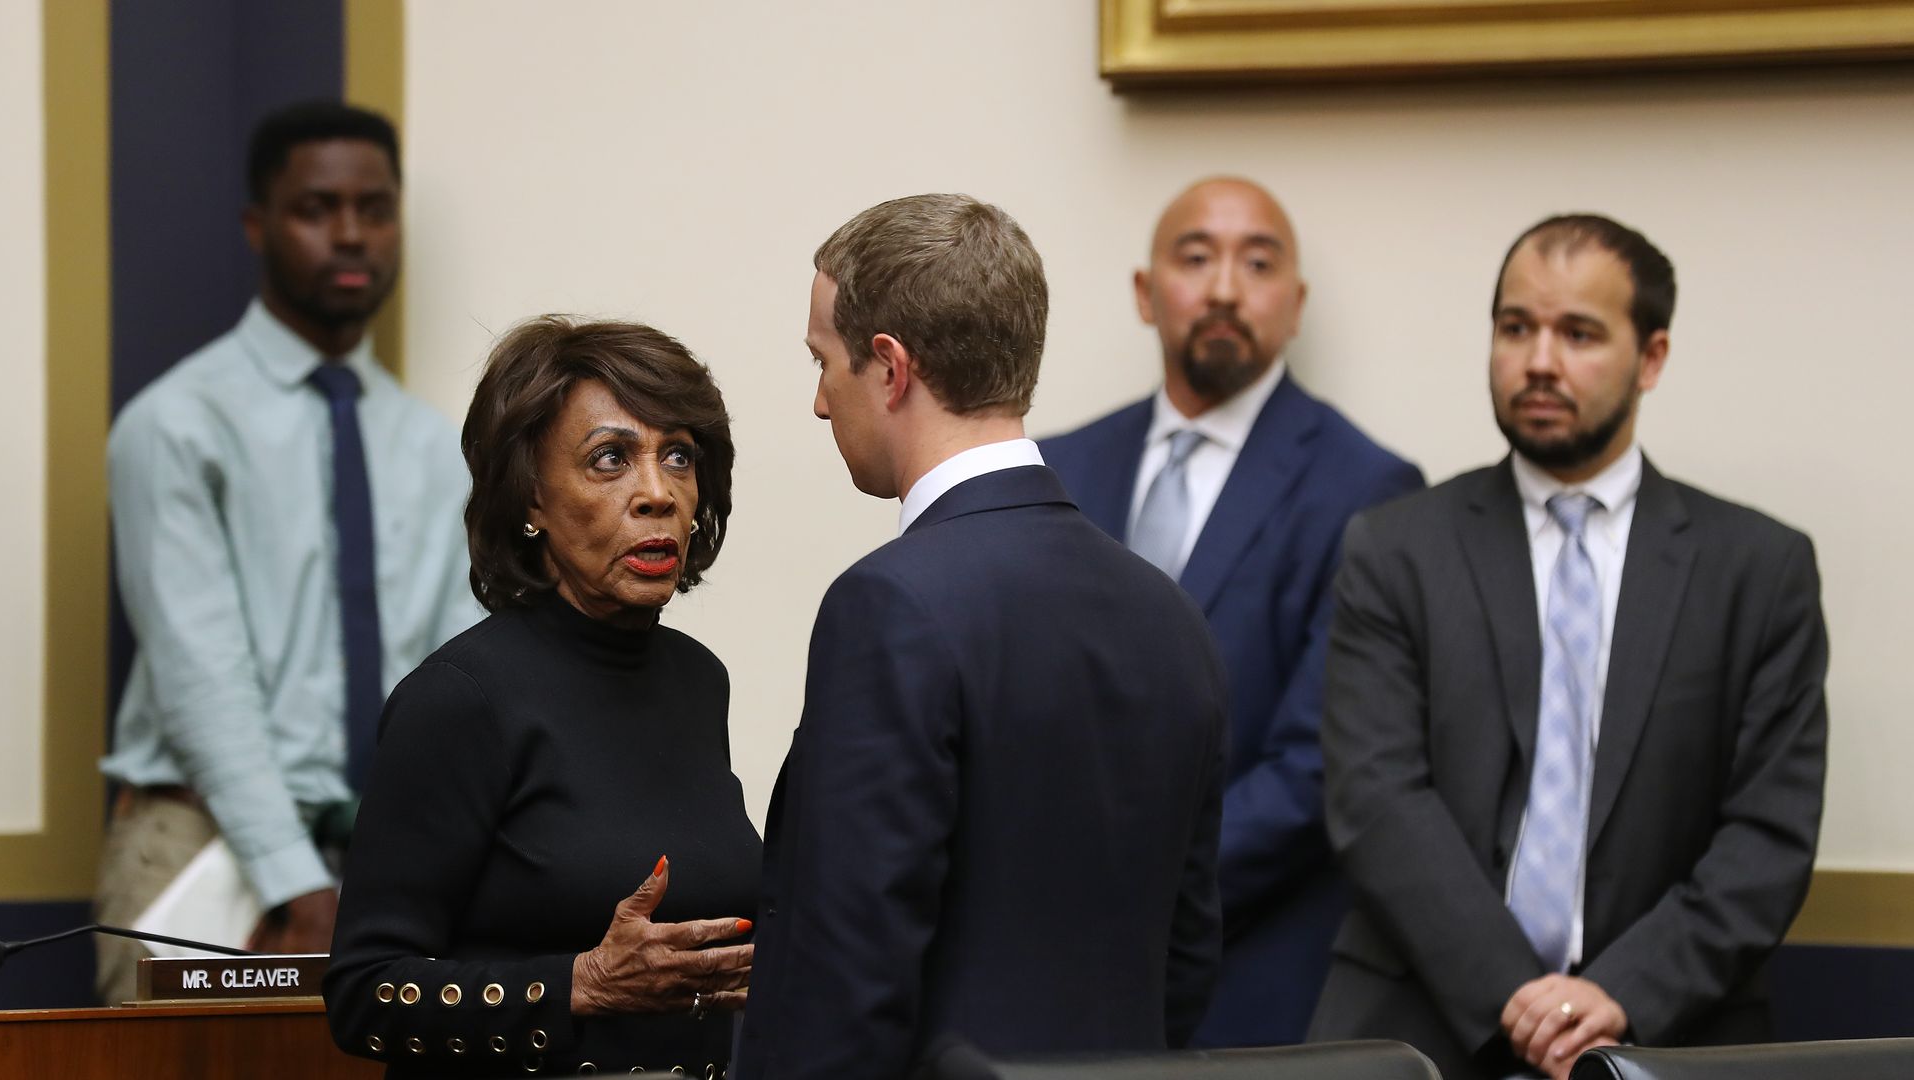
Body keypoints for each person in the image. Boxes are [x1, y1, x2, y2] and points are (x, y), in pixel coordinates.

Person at [1307, 214, 1827, 1080]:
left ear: (1651, 357)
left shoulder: (1758, 570)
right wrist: (1523, 998)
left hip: (1670, 1028)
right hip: (1422, 1027)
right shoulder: (1396, 548)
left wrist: (1623, 991)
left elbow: (1768, 836)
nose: (1539, 361)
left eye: (1578, 334)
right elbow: (1375, 797)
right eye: (1516, 328)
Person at [736, 194, 1230, 1080]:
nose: (818, 402)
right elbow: (1186, 955)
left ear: (891, 367)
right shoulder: (1170, 615)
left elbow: (850, 965)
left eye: (824, 362)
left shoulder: (889, 604)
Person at [95, 101, 482, 1003]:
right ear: (257, 226)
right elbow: (201, 677)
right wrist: (294, 882)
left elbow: (457, 677)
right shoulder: (175, 424)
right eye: (316, 209)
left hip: (385, 858)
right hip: (201, 847)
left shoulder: (435, 448)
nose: (350, 235)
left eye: (375, 209)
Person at [1042, 177, 1423, 1046]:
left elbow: (1321, 762)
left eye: (1257, 263)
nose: (1223, 288)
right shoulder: (1057, 468)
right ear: (1146, 293)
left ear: (1296, 304)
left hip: (1249, 973)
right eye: (1195, 257)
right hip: (1042, 966)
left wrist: (1133, 889)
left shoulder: (1365, 487)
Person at [324, 317, 760, 1077]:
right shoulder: (459, 700)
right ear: (531, 498)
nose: (657, 493)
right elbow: (364, 995)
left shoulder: (698, 680)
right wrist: (579, 985)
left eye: (679, 457)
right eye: (610, 459)